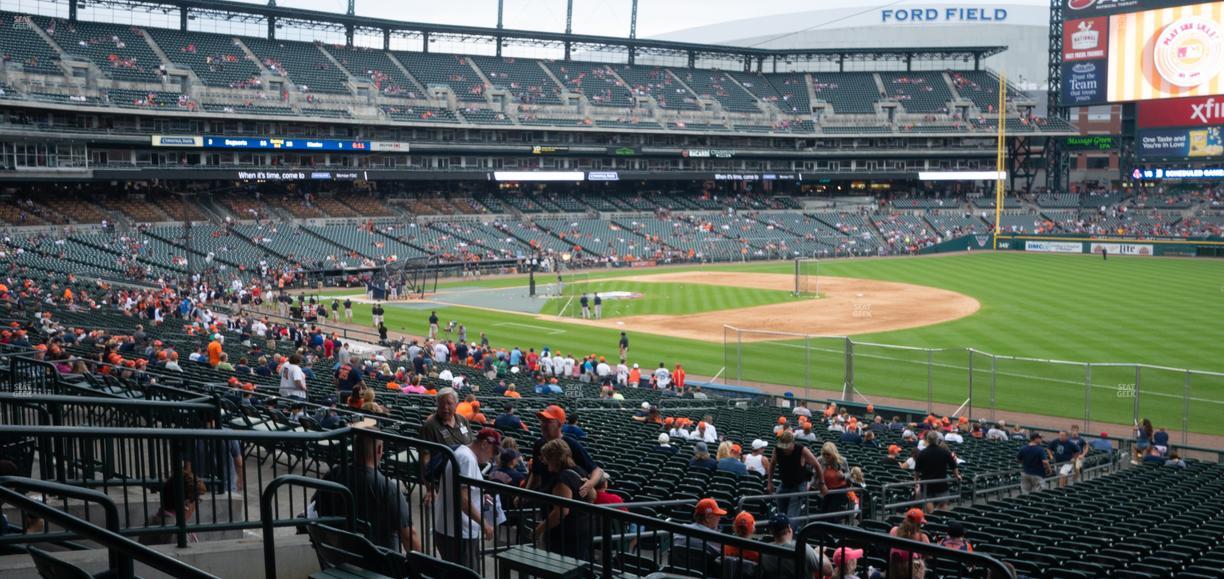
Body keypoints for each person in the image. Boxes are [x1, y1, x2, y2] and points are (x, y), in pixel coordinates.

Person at [317, 430, 421, 553]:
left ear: (354, 448)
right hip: (380, 563)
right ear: (379, 450)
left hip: (340, 554)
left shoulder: (333, 474)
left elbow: (318, 509)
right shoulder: (387, 487)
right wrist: (424, 569)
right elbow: (409, 536)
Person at [434, 427, 500, 571]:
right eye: (493, 451)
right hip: (458, 534)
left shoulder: (463, 453)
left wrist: (480, 495)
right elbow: (463, 500)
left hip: (452, 531)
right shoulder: (467, 459)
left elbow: (463, 491)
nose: (493, 457)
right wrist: (485, 524)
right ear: (484, 444)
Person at [533, 438, 594, 560]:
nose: (545, 462)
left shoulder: (563, 478)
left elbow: (561, 512)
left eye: (546, 458)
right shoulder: (579, 471)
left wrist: (539, 530)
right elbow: (592, 496)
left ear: (554, 458)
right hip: (581, 531)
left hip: (565, 535)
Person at [526, 405, 602, 501]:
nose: (542, 424)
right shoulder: (538, 444)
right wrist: (525, 494)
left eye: (548, 421)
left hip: (569, 504)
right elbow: (536, 474)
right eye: (542, 420)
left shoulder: (570, 443)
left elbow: (597, 471)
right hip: (546, 498)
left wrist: (590, 484)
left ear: (559, 424)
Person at [140, 471, 208, 545]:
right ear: (186, 504)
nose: (196, 507)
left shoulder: (151, 521)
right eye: (198, 501)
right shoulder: (178, 530)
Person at [758, 514, 833, 579]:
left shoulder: (765, 551)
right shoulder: (802, 548)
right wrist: (819, 553)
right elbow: (829, 570)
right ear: (789, 529)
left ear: (771, 531)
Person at [767, 430, 820, 520]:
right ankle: (783, 530)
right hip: (785, 483)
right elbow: (772, 464)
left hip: (798, 484)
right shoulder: (777, 449)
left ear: (792, 443)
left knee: (792, 515)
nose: (785, 449)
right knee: (781, 513)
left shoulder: (802, 450)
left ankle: (790, 531)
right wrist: (769, 482)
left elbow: (817, 465)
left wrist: (821, 483)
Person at [915, 431, 961, 512]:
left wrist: (916, 481)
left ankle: (931, 519)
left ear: (927, 440)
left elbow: (917, 470)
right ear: (937, 440)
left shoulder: (922, 453)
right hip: (941, 483)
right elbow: (953, 466)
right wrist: (957, 476)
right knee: (943, 505)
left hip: (927, 484)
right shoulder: (945, 452)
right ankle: (940, 521)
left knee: (928, 503)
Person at [889, 508, 931, 579]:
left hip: (893, 569)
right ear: (919, 524)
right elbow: (928, 555)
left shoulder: (894, 530)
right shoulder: (922, 537)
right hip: (913, 572)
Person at [815, 442, 851, 519]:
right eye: (824, 454)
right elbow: (815, 474)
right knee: (823, 512)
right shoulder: (820, 460)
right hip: (825, 489)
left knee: (831, 513)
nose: (825, 456)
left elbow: (849, 474)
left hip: (838, 490)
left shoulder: (842, 460)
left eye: (828, 454)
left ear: (833, 453)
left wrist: (843, 476)